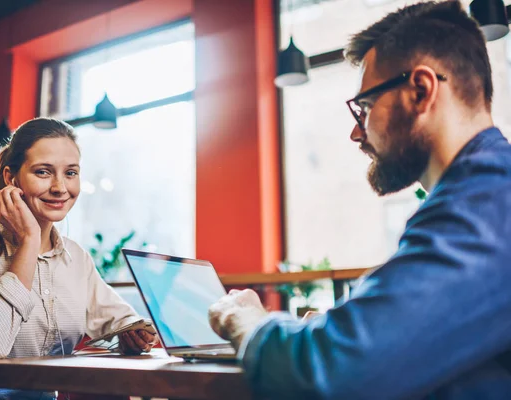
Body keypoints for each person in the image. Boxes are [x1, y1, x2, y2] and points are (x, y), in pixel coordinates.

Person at [209, 1, 511, 398]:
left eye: (364, 108)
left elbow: (329, 373)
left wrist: (244, 319)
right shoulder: (483, 193)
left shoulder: (485, 203)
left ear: (420, 91)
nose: (357, 134)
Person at [0, 118, 158, 399]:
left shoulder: (75, 257)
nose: (60, 187)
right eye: (43, 172)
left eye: (71, 173)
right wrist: (29, 241)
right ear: (11, 178)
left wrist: (131, 337)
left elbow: (124, 322)